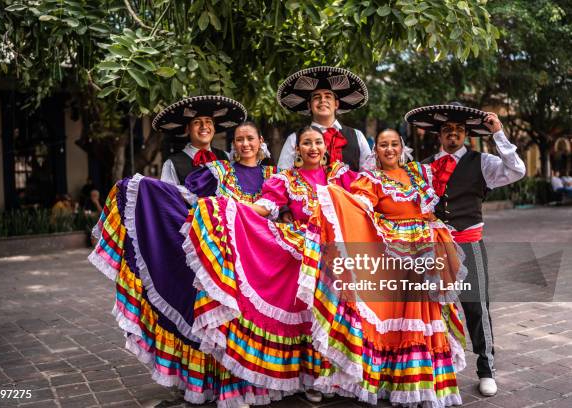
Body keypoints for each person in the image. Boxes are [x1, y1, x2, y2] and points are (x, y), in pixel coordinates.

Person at [89, 115, 281, 407]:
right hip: (197, 246)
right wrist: (144, 190)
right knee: (201, 315)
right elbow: (178, 199)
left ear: (259, 143)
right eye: (196, 123)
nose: (244, 143)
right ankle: (201, 381)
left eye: (249, 139)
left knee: (236, 318)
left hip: (240, 253)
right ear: (188, 129)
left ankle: (245, 378)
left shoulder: (242, 167)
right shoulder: (195, 166)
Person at [184, 126, 358, 403]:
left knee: (330, 316)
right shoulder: (286, 179)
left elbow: (364, 201)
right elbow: (265, 207)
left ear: (325, 147)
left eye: (317, 142)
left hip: (333, 253)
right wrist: (231, 210)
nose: (312, 148)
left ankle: (331, 380)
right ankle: (303, 378)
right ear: (297, 149)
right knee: (303, 315)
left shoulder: (340, 175)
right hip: (300, 253)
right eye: (306, 143)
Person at [303, 128, 467, 406]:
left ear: (402, 148)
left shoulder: (419, 173)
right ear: (375, 151)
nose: (389, 149)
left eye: (394, 144)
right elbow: (361, 205)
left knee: (425, 315)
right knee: (398, 318)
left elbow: (446, 176)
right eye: (383, 145)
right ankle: (393, 381)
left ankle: (420, 383)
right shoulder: (372, 179)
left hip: (426, 249)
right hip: (396, 252)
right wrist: (336, 197)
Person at [405, 102, 526, 397]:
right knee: (433, 308)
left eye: (459, 130)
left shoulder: (482, 162)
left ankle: (486, 370)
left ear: (467, 135)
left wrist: (498, 133)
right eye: (447, 129)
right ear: (439, 135)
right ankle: (436, 367)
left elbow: (517, 170)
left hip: (468, 242)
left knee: (475, 306)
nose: (453, 134)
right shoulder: (424, 166)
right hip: (432, 246)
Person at [277, 66, 371, 171]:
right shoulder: (294, 138)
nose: (322, 100)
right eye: (317, 97)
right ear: (309, 105)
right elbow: (283, 174)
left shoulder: (357, 136)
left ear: (336, 104)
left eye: (328, 96)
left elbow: (369, 175)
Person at [156, 95, 245, 185]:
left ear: (214, 128)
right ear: (187, 129)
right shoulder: (172, 164)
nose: (204, 126)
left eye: (208, 121)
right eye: (197, 122)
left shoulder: (227, 157)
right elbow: (166, 197)